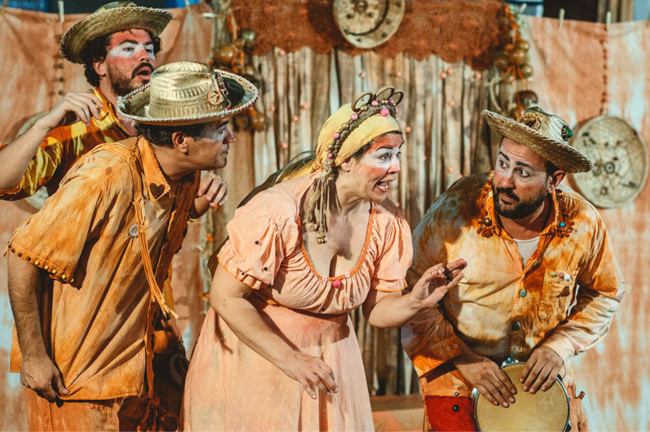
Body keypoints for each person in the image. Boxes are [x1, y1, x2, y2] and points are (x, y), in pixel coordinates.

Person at [182, 87, 467, 431]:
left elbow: (377, 310)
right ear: (346, 160)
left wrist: (415, 301)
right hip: (257, 362)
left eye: (397, 155)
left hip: (331, 365)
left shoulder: (387, 222)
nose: (395, 168)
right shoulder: (278, 211)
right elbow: (226, 296)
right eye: (383, 157)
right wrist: (290, 358)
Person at [6, 61, 258, 431]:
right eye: (220, 129)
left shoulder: (185, 178)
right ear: (181, 141)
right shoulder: (105, 176)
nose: (230, 139)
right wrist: (34, 356)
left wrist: (196, 207)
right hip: (78, 381)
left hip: (139, 373)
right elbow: (21, 256)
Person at [402, 107, 625, 431]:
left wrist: (560, 347)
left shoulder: (582, 223)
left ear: (554, 180)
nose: (504, 181)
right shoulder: (455, 210)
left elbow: (606, 293)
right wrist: (463, 357)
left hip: (541, 392)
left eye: (522, 172)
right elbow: (410, 292)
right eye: (503, 163)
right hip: (458, 380)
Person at [0, 1, 229, 211]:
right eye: (129, 49)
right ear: (100, 65)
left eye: (149, 49)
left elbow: (172, 213)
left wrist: (205, 192)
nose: (144, 56)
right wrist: (43, 125)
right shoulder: (71, 128)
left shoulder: (165, 123)